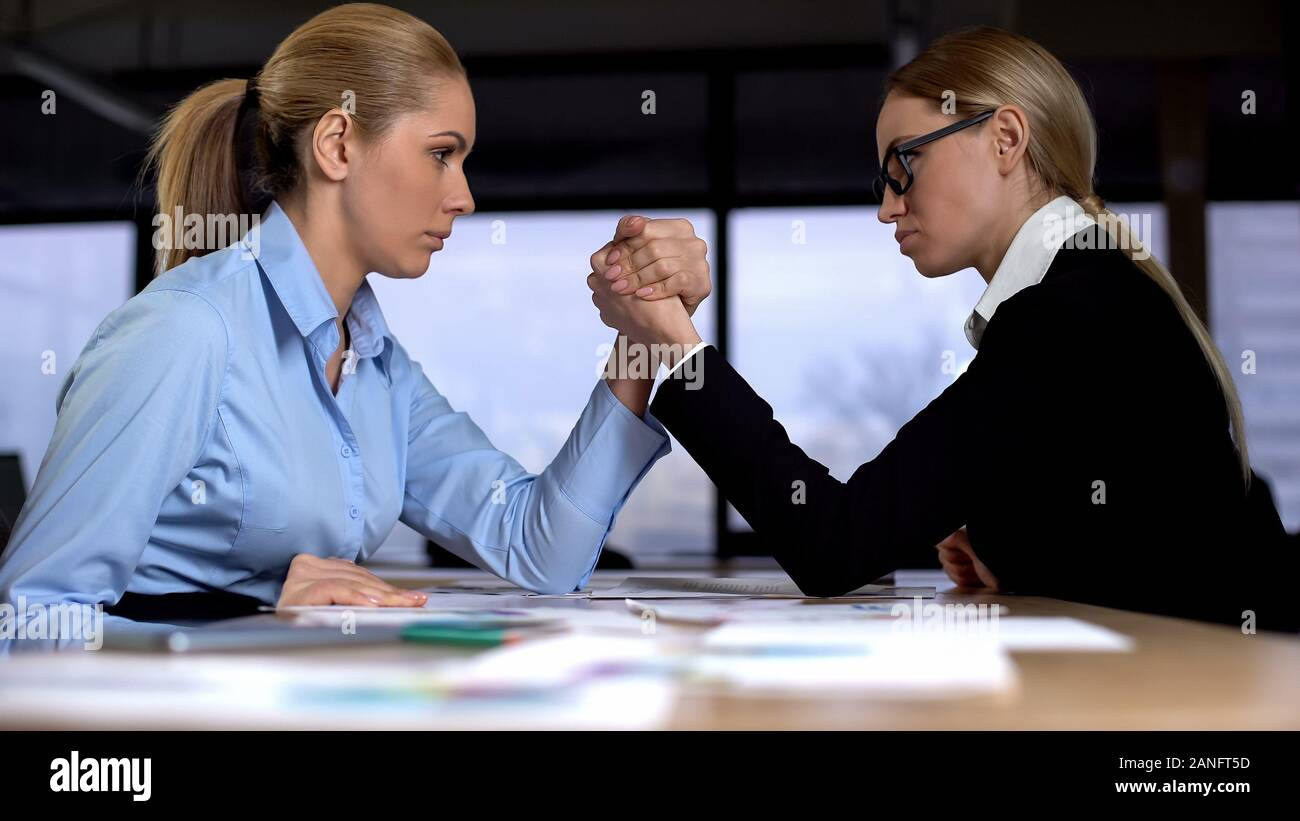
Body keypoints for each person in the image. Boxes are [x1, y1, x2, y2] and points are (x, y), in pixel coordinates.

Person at [0, 3, 711, 621]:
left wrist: (640, 340)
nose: (464, 197)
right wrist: (245, 604)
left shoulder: (378, 365)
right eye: (442, 154)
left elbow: (536, 546)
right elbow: (32, 616)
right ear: (337, 145)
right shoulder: (185, 331)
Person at [586, 26, 1297, 632]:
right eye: (882, 181)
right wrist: (1004, 541)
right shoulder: (1097, 290)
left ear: (1006, 138)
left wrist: (673, 346)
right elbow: (1138, 526)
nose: (888, 208)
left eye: (905, 164)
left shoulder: (1068, 314)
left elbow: (833, 544)